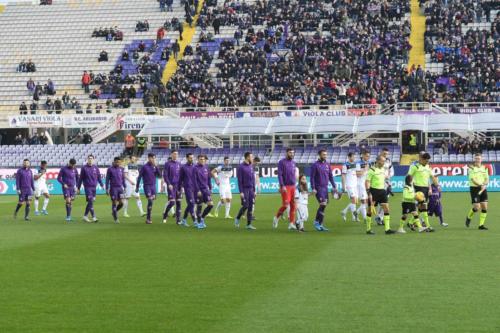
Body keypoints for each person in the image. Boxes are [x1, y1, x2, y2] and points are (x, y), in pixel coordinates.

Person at [407, 152, 438, 231]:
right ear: (421, 159)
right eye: (426, 161)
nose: (427, 162)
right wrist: (409, 188)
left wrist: (437, 185)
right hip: (417, 188)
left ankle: (410, 222)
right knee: (424, 207)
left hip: (426, 188)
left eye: (428, 161)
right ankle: (427, 226)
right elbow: (408, 177)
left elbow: (432, 177)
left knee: (421, 208)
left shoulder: (428, 167)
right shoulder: (415, 167)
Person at [365, 155, 395, 235]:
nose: (384, 163)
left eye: (384, 161)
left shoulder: (383, 169)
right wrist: (369, 193)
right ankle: (368, 229)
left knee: (386, 208)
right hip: (374, 191)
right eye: (382, 161)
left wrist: (389, 185)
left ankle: (387, 229)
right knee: (370, 210)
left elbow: (385, 178)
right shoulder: (372, 170)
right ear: (378, 161)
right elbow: (367, 182)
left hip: (382, 191)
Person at [310, 149, 337, 231]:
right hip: (318, 188)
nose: (325, 156)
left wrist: (334, 186)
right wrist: (313, 188)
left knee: (324, 206)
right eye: (323, 155)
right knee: (323, 204)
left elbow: (330, 176)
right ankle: (317, 222)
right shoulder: (315, 165)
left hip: (325, 188)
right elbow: (312, 178)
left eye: (326, 154)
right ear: (319, 155)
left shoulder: (327, 165)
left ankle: (320, 224)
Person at [273, 148, 298, 230]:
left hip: (293, 186)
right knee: (285, 205)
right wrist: (282, 185)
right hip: (286, 186)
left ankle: (291, 223)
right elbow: (279, 175)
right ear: (286, 153)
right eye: (290, 153)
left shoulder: (294, 163)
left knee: (293, 206)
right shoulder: (281, 162)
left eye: (293, 153)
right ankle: (276, 218)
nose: (292, 154)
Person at [465, 153, 489, 230]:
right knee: (477, 207)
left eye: (478, 158)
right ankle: (468, 217)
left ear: (481, 159)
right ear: (474, 159)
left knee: (484, 207)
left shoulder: (484, 168)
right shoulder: (471, 168)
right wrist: (480, 184)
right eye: (476, 158)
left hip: (483, 189)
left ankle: (481, 225)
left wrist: (484, 184)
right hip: (474, 189)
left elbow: (487, 178)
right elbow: (473, 179)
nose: (477, 160)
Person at [136, 153, 161, 224]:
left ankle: (148, 217)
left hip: (153, 186)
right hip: (147, 186)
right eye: (152, 158)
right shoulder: (144, 167)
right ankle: (148, 218)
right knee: (150, 200)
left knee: (151, 202)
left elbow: (159, 175)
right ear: (149, 158)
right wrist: (137, 187)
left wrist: (156, 167)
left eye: (154, 158)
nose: (153, 159)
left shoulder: (154, 167)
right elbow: (139, 177)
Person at [78, 155, 104, 223]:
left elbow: (99, 177)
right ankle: (94, 217)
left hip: (94, 188)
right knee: (90, 201)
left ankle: (85, 216)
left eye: (91, 158)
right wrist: (78, 188)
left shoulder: (96, 168)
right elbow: (80, 178)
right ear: (87, 159)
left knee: (90, 202)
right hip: (87, 187)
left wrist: (102, 184)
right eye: (89, 158)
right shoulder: (84, 168)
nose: (90, 159)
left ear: (94, 159)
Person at [235, 152, 256, 229]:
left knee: (251, 206)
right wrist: (241, 192)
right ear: (247, 157)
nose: (252, 158)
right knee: (245, 206)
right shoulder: (240, 167)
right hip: (244, 189)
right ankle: (237, 218)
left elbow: (253, 179)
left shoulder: (251, 166)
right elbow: (239, 180)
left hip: (251, 189)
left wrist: (254, 190)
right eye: (251, 157)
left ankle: (249, 224)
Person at [375, 148, 394, 224]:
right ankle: (379, 217)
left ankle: (379, 217)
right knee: (382, 201)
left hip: (387, 183)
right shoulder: (377, 161)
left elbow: (392, 171)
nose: (385, 155)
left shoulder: (389, 161)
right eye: (384, 154)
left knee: (385, 201)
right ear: (381, 153)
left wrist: (389, 176)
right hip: (379, 183)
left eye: (386, 154)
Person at [193, 155, 213, 229]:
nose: (202, 160)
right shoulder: (195, 168)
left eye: (203, 159)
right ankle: (199, 223)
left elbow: (209, 179)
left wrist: (210, 188)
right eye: (201, 159)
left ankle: (202, 218)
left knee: (210, 205)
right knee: (199, 207)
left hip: (206, 190)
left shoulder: (206, 168)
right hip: (198, 190)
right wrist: (197, 190)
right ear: (198, 160)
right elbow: (194, 181)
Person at [162, 150, 182, 224]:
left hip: (178, 186)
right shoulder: (167, 164)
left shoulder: (179, 164)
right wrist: (168, 184)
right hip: (171, 186)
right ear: (171, 154)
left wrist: (181, 186)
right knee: (172, 202)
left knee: (179, 202)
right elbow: (165, 175)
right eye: (174, 154)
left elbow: (181, 176)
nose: (175, 155)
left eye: (176, 154)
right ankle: (165, 214)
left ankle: (178, 219)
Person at [57, 158, 79, 222]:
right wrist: (63, 184)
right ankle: (68, 217)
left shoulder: (75, 169)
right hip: (66, 187)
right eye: (72, 165)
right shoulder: (63, 169)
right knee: (68, 200)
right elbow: (58, 178)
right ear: (69, 163)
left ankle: (69, 215)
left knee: (71, 201)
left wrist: (77, 186)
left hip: (72, 188)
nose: (73, 166)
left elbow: (77, 178)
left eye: (74, 165)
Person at [106, 157, 126, 224]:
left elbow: (123, 178)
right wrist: (106, 188)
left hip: (120, 188)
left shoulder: (121, 169)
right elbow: (107, 179)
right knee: (114, 202)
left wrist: (125, 186)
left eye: (119, 162)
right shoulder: (110, 169)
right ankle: (116, 218)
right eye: (117, 162)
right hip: (113, 188)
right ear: (114, 162)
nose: (118, 163)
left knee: (122, 203)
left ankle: (114, 212)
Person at [341, 152, 359, 222]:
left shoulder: (356, 164)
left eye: (354, 157)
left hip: (355, 185)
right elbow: (343, 176)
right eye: (353, 157)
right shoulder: (345, 165)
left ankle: (345, 212)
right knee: (353, 200)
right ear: (349, 157)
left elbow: (357, 173)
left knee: (355, 202)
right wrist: (343, 186)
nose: (354, 158)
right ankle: (354, 217)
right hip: (349, 186)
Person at [180, 153, 196, 227]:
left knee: (190, 204)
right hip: (187, 188)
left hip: (195, 188)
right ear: (187, 158)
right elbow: (180, 179)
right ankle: (195, 221)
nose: (191, 159)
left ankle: (184, 220)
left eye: (192, 158)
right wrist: (180, 189)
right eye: (190, 158)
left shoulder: (195, 167)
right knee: (192, 204)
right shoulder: (183, 167)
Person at [355, 150, 371, 224]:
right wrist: (365, 169)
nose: (368, 157)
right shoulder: (358, 163)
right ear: (363, 156)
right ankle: (365, 218)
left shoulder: (369, 163)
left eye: (369, 156)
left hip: (366, 183)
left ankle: (357, 212)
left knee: (367, 201)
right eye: (367, 156)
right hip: (360, 184)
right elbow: (358, 174)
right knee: (364, 201)